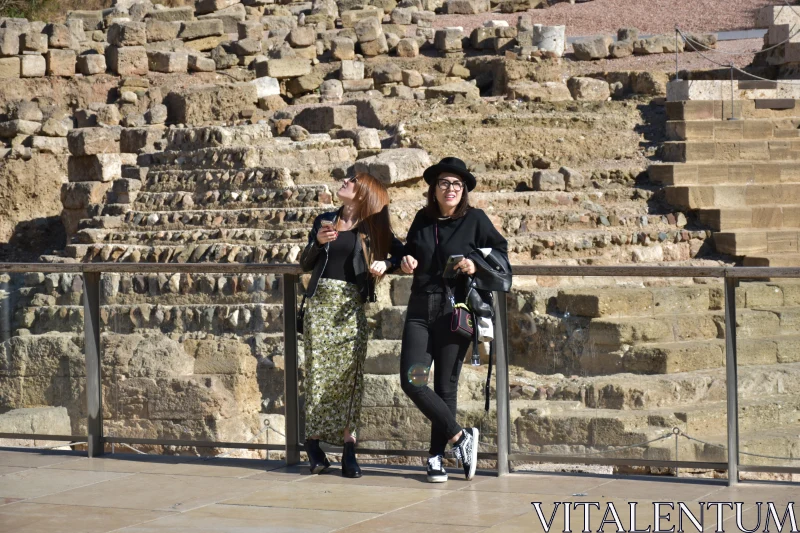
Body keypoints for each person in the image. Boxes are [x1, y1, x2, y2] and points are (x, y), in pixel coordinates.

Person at [399, 157, 509, 483]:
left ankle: (435, 458)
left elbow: (501, 253)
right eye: (445, 183)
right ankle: (461, 438)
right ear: (434, 189)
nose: (451, 189)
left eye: (457, 185)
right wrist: (404, 260)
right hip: (420, 309)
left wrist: (476, 263)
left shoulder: (475, 220)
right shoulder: (421, 218)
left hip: (454, 311)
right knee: (412, 380)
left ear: (464, 192)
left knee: (445, 387)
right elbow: (410, 253)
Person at [299, 172, 404, 478]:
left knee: (350, 380)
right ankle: (314, 446)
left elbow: (401, 252)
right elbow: (305, 263)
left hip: (350, 309)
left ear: (363, 193)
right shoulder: (325, 220)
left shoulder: (372, 229)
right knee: (317, 376)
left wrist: (386, 263)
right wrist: (318, 243)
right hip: (319, 307)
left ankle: (348, 449)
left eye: (353, 180)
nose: (345, 180)